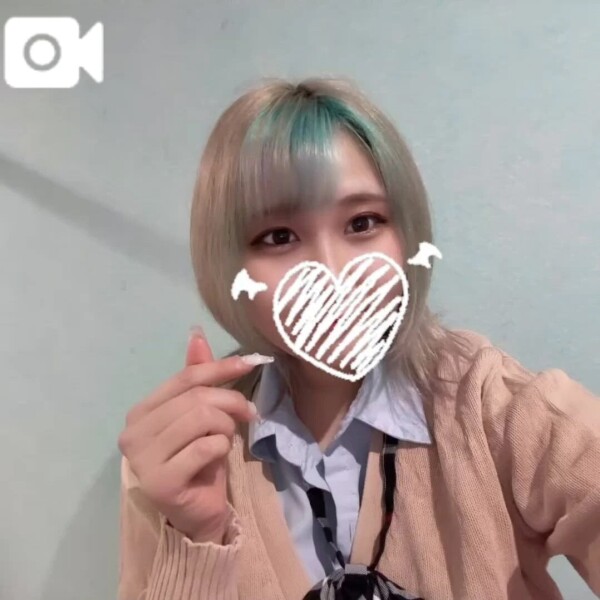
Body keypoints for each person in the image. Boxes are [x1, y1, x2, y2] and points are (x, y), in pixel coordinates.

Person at [116, 77, 600, 599]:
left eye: (363, 223)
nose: (332, 273)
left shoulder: (491, 406)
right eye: (278, 237)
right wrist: (197, 537)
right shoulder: (191, 451)